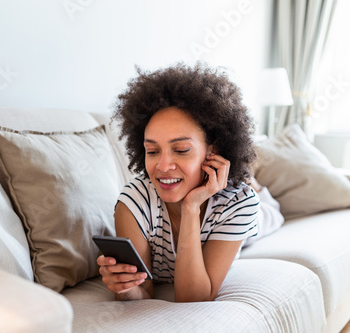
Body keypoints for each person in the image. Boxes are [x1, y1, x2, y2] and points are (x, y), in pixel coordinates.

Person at [97, 63, 284, 302]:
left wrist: (191, 207)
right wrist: (124, 286)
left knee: (271, 213)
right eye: (152, 151)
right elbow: (141, 293)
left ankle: (252, 181)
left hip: (252, 215)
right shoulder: (134, 202)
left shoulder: (240, 201)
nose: (163, 167)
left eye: (182, 149)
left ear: (212, 150)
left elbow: (194, 298)